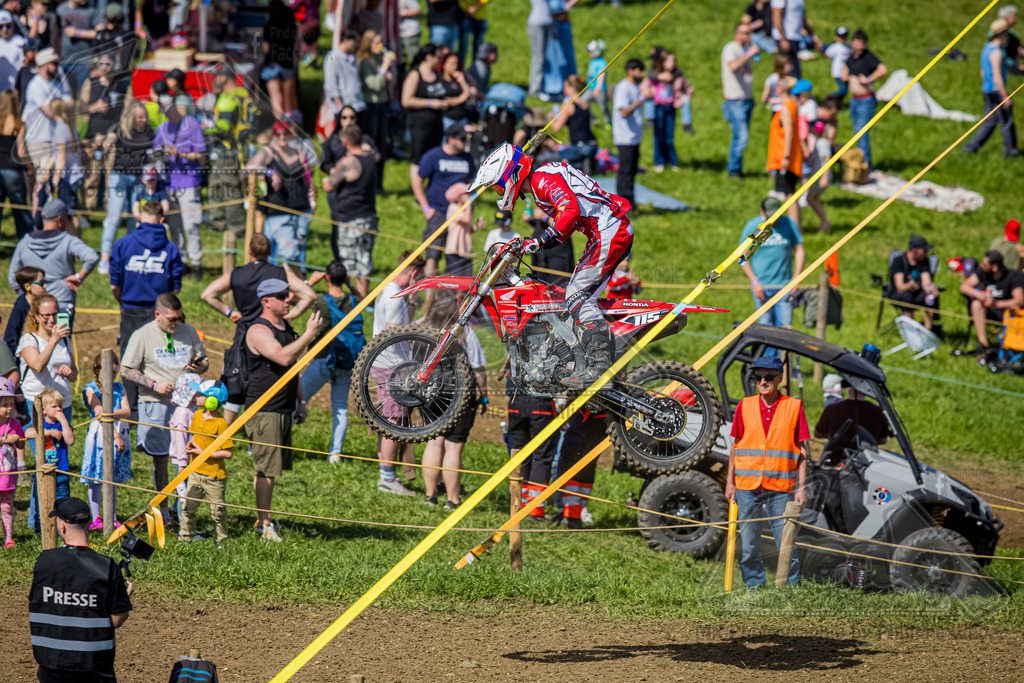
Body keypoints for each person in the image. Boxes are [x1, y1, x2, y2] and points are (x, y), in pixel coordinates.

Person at [470, 142, 633, 386]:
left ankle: (599, 366)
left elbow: (570, 210)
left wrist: (539, 240)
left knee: (578, 295)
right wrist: (534, 244)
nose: (498, 192)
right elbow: (565, 227)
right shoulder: (541, 184)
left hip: (609, 230)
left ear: (509, 176)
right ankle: (583, 359)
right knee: (571, 298)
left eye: (497, 186)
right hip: (604, 231)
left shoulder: (541, 181)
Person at [199, 234, 315, 420]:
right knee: (265, 386)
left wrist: (229, 312)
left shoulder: (236, 274)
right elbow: (309, 295)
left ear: (249, 251)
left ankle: (222, 436)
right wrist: (290, 316)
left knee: (234, 390)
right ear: (270, 252)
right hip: (271, 337)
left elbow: (208, 294)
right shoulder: (280, 274)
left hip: (243, 337)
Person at [244, 278, 322, 541]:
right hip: (264, 409)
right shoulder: (258, 330)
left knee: (271, 468)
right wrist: (310, 334)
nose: (288, 299)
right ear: (266, 301)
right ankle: (264, 523)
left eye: (288, 295)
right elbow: (284, 357)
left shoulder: (285, 326)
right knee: (266, 469)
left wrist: (299, 400)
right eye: (281, 296)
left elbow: (292, 368)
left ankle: (264, 518)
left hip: (282, 406)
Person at [120, 292, 209, 523]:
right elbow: (126, 369)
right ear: (158, 315)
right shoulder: (142, 335)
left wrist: (199, 366)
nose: (176, 323)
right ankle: (164, 507)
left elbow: (205, 361)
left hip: (186, 405)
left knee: (187, 457)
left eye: (180, 318)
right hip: (155, 403)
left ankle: (184, 512)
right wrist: (153, 384)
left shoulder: (188, 332)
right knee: (159, 459)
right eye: (172, 319)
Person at [725, 355, 808, 589]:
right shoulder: (745, 405)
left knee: (786, 544)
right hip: (746, 488)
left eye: (768, 377)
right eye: (758, 377)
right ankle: (754, 587)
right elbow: (736, 446)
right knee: (750, 544)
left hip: (780, 489)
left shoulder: (794, 407)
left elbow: (802, 452)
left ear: (780, 378)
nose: (762, 381)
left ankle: (789, 588)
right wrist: (729, 482)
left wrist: (801, 488)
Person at [29, 496, 132, 681]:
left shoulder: (43, 561)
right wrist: (124, 597)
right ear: (89, 523)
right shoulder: (107, 566)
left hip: (51, 666)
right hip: (94, 668)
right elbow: (116, 619)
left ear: (62, 527)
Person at [110, 200, 183, 409]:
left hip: (131, 309)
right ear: (162, 220)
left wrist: (121, 302)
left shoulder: (122, 244)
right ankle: (161, 402)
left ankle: (130, 407)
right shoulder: (170, 248)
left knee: (130, 358)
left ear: (140, 218)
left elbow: (114, 284)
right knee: (160, 357)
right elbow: (175, 289)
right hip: (160, 313)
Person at [418, 290, 487, 509]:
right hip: (459, 395)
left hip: (427, 394)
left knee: (434, 442)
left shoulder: (418, 326)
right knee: (454, 447)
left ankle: (430, 496)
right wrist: (484, 394)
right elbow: (478, 369)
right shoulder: (464, 332)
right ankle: (452, 499)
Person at [301, 261, 365, 461]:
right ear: (344, 278)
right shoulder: (354, 301)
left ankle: (280, 441)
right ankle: (335, 455)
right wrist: (351, 285)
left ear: (326, 277)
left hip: (322, 360)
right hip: (346, 362)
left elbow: (296, 298)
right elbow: (365, 300)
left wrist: (309, 282)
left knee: (298, 399)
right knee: (340, 409)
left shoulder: (321, 300)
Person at [372, 251, 424, 495]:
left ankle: (387, 474)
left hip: (389, 364)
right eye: (419, 277)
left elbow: (401, 321)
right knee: (393, 422)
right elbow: (394, 333)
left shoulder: (392, 291)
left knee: (391, 419)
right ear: (413, 273)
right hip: (392, 365)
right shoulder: (393, 297)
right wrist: (420, 329)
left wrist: (412, 302)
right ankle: (387, 478)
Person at [8, 199, 98, 323]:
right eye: (68, 218)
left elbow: (13, 278)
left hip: (34, 307)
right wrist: (79, 277)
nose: (69, 222)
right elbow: (92, 257)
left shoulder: (25, 242)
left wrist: (28, 296)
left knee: (34, 341)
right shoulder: (68, 241)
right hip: (62, 304)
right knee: (62, 341)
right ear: (60, 219)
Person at [246, 121, 315, 273]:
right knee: (287, 251)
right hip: (278, 210)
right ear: (273, 136)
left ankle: (298, 282)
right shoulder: (268, 152)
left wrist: (312, 199)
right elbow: (250, 167)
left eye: (285, 133)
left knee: (299, 248)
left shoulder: (298, 152)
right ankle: (280, 282)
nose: (282, 137)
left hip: (301, 208)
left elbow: (308, 178)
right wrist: (270, 173)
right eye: (278, 134)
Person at [412, 125, 475, 276]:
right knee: (432, 254)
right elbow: (417, 181)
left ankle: (452, 295)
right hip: (438, 212)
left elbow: (473, 182)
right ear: (451, 139)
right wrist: (426, 208)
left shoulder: (467, 158)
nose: (465, 142)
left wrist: (468, 205)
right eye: (462, 139)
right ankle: (429, 297)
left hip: (459, 214)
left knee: (456, 255)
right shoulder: (433, 156)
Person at [100, 101, 155, 271]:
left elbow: (152, 154)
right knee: (114, 218)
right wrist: (106, 143)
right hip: (120, 178)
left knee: (135, 217)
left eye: (145, 116)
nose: (143, 119)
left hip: (139, 179)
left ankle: (131, 256)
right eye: (140, 116)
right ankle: (105, 258)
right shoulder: (120, 129)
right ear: (131, 116)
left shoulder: (149, 132)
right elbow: (111, 137)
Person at [153, 100, 206, 279]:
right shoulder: (161, 128)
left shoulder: (191, 124)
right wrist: (161, 153)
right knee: (174, 226)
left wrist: (180, 154)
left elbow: (201, 155)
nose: (169, 113)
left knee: (191, 224)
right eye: (165, 111)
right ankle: (181, 262)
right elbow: (154, 152)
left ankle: (196, 263)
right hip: (169, 182)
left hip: (189, 181)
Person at [326, 124, 378, 300]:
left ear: (346, 141)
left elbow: (330, 184)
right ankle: (364, 298)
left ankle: (358, 300)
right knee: (365, 258)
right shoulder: (370, 157)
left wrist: (333, 172)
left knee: (351, 261)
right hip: (369, 215)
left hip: (350, 218)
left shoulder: (347, 162)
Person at [80, 352, 132, 529]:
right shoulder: (91, 388)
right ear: (98, 369)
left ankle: (112, 516)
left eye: (114, 373)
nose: (112, 376)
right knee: (96, 478)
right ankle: (96, 518)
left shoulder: (119, 388)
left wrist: (110, 414)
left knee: (112, 477)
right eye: (108, 372)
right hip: (100, 434)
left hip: (119, 430)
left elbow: (126, 410)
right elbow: (99, 414)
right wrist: (115, 436)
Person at [179, 379, 233, 545]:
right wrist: (191, 442)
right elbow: (195, 435)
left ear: (212, 400)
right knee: (188, 508)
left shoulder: (221, 423)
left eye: (200, 394)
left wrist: (203, 453)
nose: (195, 395)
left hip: (214, 476)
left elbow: (228, 453)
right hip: (195, 472)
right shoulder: (196, 415)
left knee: (218, 512)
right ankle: (186, 539)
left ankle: (221, 542)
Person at [739, 197, 805, 330]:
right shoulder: (755, 227)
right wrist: (754, 282)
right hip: (762, 286)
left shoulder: (788, 223)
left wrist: (797, 277)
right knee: (765, 328)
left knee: (786, 328)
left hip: (785, 286)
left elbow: (799, 250)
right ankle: (767, 352)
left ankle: (784, 352)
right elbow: (741, 257)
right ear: (762, 212)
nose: (774, 220)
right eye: (771, 216)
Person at [965, 18, 1019, 159]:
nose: (1008, 38)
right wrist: (1004, 95)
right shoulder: (997, 53)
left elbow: (983, 73)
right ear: (1001, 35)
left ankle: (971, 147)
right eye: (1007, 35)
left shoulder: (986, 49)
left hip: (987, 90)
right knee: (1007, 122)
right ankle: (1011, 152)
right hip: (997, 91)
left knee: (989, 121)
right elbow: (997, 76)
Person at [79, 53, 126, 212]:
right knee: (91, 176)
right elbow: (80, 109)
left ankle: (109, 212)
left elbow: (128, 111)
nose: (105, 67)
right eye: (102, 64)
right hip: (93, 137)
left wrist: (116, 134)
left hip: (113, 138)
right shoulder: (90, 83)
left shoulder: (122, 85)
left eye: (108, 64)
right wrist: (94, 107)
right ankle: (87, 212)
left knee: (111, 179)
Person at [25, 388, 75, 531]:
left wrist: (64, 421)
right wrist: (48, 432)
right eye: (54, 406)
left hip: (61, 472)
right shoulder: (41, 425)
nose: (59, 409)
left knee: (62, 502)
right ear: (44, 410)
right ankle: (41, 530)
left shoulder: (62, 425)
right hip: (43, 472)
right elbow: (28, 432)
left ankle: (61, 531)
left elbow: (70, 440)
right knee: (43, 502)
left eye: (60, 406)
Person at [960, 250, 1024, 354]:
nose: (981, 266)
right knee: (976, 304)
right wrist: (979, 294)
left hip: (1008, 314)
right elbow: (964, 287)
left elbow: (1020, 300)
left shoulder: (1013, 276)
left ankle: (1012, 346)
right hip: (989, 312)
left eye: (985, 264)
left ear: (994, 267)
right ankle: (983, 345)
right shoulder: (983, 271)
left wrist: (998, 304)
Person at [842, 29, 887, 170]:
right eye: (855, 41)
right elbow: (845, 67)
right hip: (854, 101)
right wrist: (845, 75)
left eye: (860, 42)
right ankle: (861, 165)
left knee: (861, 134)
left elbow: (883, 69)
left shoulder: (868, 57)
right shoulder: (852, 57)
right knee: (857, 134)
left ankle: (867, 167)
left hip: (865, 101)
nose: (857, 44)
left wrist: (868, 79)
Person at [721, 22, 759, 179]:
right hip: (735, 101)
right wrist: (749, 53)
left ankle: (737, 169)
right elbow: (733, 66)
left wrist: (752, 97)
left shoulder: (742, 50)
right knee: (741, 137)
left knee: (740, 137)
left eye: (750, 33)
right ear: (738, 33)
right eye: (746, 33)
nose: (749, 36)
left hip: (745, 100)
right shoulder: (731, 48)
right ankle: (733, 170)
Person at [357, 30, 394, 189]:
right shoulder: (365, 62)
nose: (380, 46)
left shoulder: (376, 60)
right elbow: (375, 84)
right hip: (370, 107)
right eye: (376, 43)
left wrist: (385, 69)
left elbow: (384, 79)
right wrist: (384, 68)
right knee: (371, 143)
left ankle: (379, 183)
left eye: (381, 42)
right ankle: (369, 182)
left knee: (382, 144)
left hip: (382, 105)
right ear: (368, 44)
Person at [401, 44, 448, 166]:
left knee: (434, 157)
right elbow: (406, 101)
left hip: (436, 123)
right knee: (418, 158)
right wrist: (431, 103)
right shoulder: (415, 75)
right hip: (419, 125)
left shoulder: (437, 75)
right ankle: (416, 185)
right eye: (438, 57)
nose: (439, 60)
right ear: (428, 57)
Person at [767, 76, 803, 227]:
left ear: (780, 89)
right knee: (790, 193)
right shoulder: (791, 104)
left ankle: (795, 228)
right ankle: (797, 226)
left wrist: (786, 157)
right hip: (790, 154)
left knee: (790, 195)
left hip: (786, 156)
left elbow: (788, 132)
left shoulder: (787, 108)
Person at [646, 50, 690, 172]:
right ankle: (659, 161)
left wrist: (681, 98)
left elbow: (685, 86)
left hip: (671, 107)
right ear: (663, 62)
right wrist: (660, 77)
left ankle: (672, 161)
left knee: (669, 137)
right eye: (670, 61)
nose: (673, 63)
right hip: (658, 106)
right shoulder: (655, 73)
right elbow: (649, 79)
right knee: (659, 135)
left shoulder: (677, 74)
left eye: (674, 61)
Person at [612, 59, 645, 213]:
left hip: (635, 136)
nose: (642, 74)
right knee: (625, 171)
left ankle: (630, 202)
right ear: (630, 71)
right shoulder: (623, 88)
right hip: (624, 136)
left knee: (632, 170)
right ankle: (622, 204)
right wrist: (641, 100)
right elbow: (624, 112)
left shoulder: (637, 87)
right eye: (639, 70)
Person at [889, 235, 940, 330]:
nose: (926, 253)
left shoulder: (924, 261)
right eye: (924, 250)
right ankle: (911, 329)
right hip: (900, 295)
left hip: (917, 294)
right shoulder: (899, 261)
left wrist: (931, 290)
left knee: (931, 296)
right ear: (915, 250)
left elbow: (926, 282)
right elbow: (899, 287)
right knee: (906, 296)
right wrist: (909, 285)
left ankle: (928, 329)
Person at [549, 75, 598, 174]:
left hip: (580, 146)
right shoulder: (585, 104)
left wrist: (550, 118)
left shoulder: (568, 105)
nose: (563, 90)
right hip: (593, 145)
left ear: (571, 88)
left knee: (559, 156)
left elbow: (556, 127)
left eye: (565, 87)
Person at [814, 383, 889, 445]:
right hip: (868, 460)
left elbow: (818, 433)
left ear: (847, 387)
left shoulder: (832, 409)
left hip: (836, 460)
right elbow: (882, 440)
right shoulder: (878, 411)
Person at [55, 0, 104, 90]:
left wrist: (78, 33)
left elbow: (101, 33)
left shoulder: (92, 10)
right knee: (68, 98)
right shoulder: (60, 10)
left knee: (83, 97)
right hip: (65, 61)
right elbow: (56, 35)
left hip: (84, 62)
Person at [262, 0, 298, 119]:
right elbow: (296, 46)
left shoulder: (269, 26)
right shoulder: (291, 26)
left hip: (272, 64)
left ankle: (280, 126)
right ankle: (291, 128)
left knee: (277, 99)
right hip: (287, 63)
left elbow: (266, 48)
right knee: (288, 100)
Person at [0, 377, 24, 549]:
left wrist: (17, 439)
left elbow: (22, 443)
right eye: (5, 405)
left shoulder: (15, 424)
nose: (9, 408)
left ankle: (8, 538)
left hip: (8, 476)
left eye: (11, 404)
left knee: (7, 507)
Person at [770, 0, 821, 79]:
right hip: (785, 38)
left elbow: (801, 16)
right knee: (786, 73)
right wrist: (783, 39)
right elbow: (776, 16)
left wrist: (813, 36)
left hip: (795, 37)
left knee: (795, 72)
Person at [324, 29, 365, 121]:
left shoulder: (352, 57)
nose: (356, 45)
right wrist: (341, 107)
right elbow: (330, 85)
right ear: (346, 40)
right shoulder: (333, 57)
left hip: (357, 105)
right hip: (344, 110)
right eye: (355, 42)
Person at [5, 265, 45, 355]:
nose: (45, 286)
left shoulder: (43, 305)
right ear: (28, 287)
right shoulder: (20, 308)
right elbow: (10, 340)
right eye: (41, 283)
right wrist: (24, 356)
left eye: (45, 282)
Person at [526, 0, 552, 98]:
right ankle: (534, 90)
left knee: (542, 58)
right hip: (536, 24)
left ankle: (540, 87)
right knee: (538, 58)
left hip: (547, 23)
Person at [439, 51, 471, 131]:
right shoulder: (440, 81)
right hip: (447, 120)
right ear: (444, 65)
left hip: (462, 119)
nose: (455, 67)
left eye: (456, 64)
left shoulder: (459, 81)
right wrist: (463, 97)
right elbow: (445, 101)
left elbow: (470, 95)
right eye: (452, 64)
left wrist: (463, 81)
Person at [584, 39, 611, 125]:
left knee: (603, 106)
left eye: (591, 51)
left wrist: (598, 88)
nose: (589, 53)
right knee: (583, 102)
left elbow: (601, 74)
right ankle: (593, 118)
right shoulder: (592, 61)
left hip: (599, 89)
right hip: (590, 88)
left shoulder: (602, 62)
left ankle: (608, 122)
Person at [824, 26, 851, 98]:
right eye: (841, 36)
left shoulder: (849, 45)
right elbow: (827, 53)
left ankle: (838, 104)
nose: (843, 38)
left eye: (844, 36)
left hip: (847, 72)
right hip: (838, 72)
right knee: (843, 90)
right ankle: (829, 97)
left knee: (845, 91)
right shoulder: (835, 46)